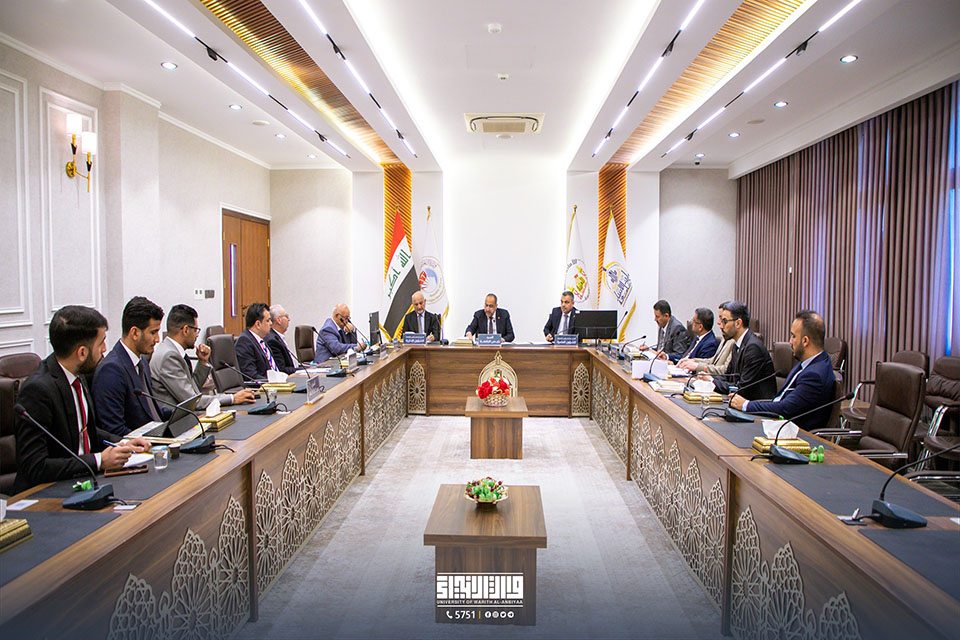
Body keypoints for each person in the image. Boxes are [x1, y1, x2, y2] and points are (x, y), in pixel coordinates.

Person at [14, 306, 150, 493]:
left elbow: (84, 430)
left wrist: (124, 442)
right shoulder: (38, 390)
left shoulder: (77, 375)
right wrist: (99, 460)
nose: (105, 349)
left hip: (83, 482)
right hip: (47, 493)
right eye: (101, 343)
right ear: (82, 353)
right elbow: (36, 466)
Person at [730, 310, 836, 431]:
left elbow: (785, 408)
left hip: (791, 432)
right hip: (776, 422)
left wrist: (746, 405)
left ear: (805, 341)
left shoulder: (815, 375)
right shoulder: (809, 362)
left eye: (793, 336)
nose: (790, 341)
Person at [150, 304, 255, 409]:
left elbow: (193, 389)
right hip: (180, 417)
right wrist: (232, 398)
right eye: (196, 330)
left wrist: (202, 362)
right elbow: (192, 400)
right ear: (186, 330)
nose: (197, 335)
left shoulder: (173, 351)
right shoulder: (169, 356)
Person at [93, 296, 171, 436]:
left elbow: (150, 409)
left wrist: (182, 414)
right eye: (153, 332)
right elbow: (114, 430)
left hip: (159, 436)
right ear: (134, 333)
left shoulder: (141, 362)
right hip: (141, 445)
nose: (157, 339)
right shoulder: (111, 371)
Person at [700, 301, 777, 401]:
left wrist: (712, 381)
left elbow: (741, 389)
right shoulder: (737, 345)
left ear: (738, 323)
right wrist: (709, 377)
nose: (721, 326)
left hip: (755, 406)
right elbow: (728, 377)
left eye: (725, 321)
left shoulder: (753, 348)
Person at [678, 302, 735, 375]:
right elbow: (713, 360)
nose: (718, 322)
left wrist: (697, 366)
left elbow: (724, 370)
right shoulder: (725, 338)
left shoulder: (732, 342)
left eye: (723, 320)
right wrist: (693, 361)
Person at [235, 302, 279, 380]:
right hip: (265, 385)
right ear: (258, 324)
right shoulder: (244, 342)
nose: (271, 323)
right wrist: (273, 382)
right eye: (268, 320)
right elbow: (251, 376)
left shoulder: (261, 340)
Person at [265, 304, 298, 374]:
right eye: (286, 316)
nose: (289, 319)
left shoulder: (277, 337)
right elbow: (282, 369)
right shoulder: (272, 341)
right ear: (278, 320)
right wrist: (301, 370)